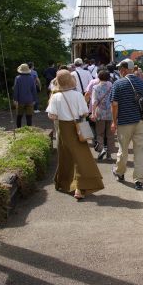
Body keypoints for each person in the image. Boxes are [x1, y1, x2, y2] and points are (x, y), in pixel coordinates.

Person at [46, 70, 104, 200]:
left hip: (63, 129)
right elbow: (84, 113)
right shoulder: (78, 95)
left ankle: (64, 183)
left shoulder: (55, 96)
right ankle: (79, 187)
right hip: (78, 127)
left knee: (66, 157)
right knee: (81, 157)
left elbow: (52, 115)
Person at [110, 58, 143, 190]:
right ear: (133, 69)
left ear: (123, 70)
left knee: (123, 150)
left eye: (119, 69)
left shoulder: (118, 84)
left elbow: (114, 105)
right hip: (140, 121)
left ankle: (120, 173)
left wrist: (114, 122)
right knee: (139, 150)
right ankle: (139, 180)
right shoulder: (142, 83)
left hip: (124, 122)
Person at [91, 70, 116, 161]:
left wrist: (93, 113)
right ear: (108, 78)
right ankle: (109, 155)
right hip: (111, 112)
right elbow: (115, 101)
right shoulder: (112, 87)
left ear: (99, 77)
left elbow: (94, 102)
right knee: (110, 134)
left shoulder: (95, 87)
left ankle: (101, 150)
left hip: (100, 113)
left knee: (100, 133)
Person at [13, 63, 37, 128]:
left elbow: (16, 90)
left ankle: (19, 129)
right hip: (30, 100)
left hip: (20, 100)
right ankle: (29, 130)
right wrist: (34, 99)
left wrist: (15, 99)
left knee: (19, 116)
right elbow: (34, 90)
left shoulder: (17, 78)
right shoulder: (31, 78)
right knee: (29, 117)